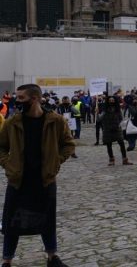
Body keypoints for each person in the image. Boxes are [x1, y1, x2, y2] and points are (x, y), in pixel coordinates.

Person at [0, 84, 75, 267]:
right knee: (12, 223)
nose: (17, 101)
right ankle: (7, 261)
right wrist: (8, 165)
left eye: (21, 98)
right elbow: (1, 147)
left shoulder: (55, 121)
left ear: (34, 98)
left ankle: (52, 257)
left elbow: (68, 144)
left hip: (45, 179)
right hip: (18, 180)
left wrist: (56, 161)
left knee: (47, 219)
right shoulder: (12, 122)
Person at [101, 96, 133, 166]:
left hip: (117, 129)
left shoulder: (118, 110)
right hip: (108, 130)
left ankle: (125, 159)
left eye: (113, 100)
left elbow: (121, 119)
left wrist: (120, 125)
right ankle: (111, 159)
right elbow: (99, 119)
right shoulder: (105, 110)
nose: (111, 101)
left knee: (122, 144)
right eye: (110, 100)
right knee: (109, 145)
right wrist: (98, 114)